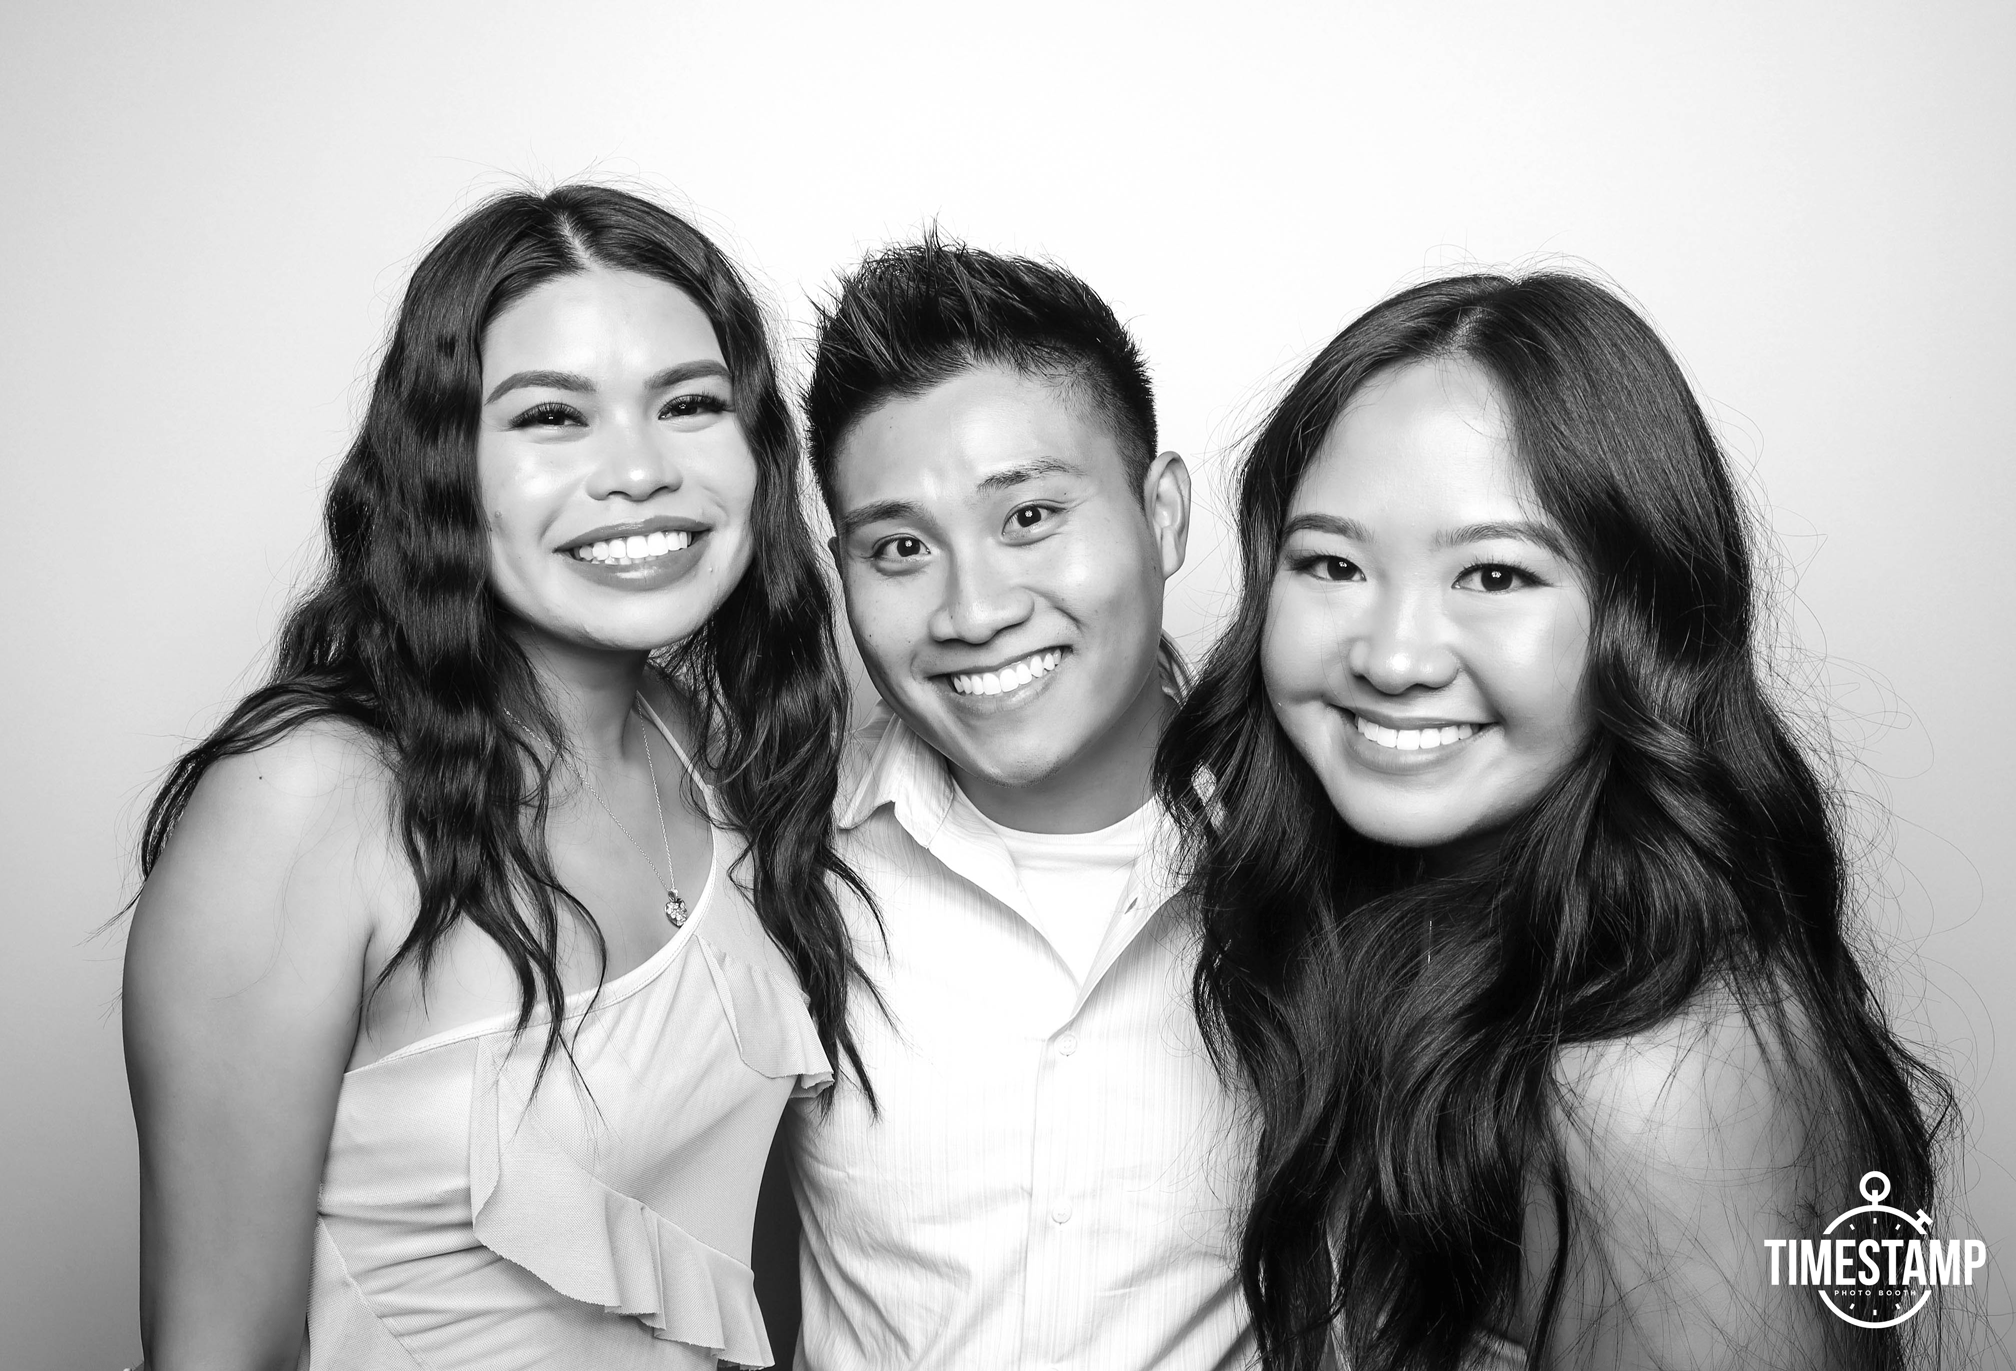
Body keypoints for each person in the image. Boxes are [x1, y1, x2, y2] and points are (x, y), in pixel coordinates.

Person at [122, 184, 872, 1370]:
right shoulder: (307, 801)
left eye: (686, 403)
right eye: (550, 418)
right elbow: (216, 1350)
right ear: (444, 468)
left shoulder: (688, 737)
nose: (637, 471)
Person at [1157, 272, 1954, 1371]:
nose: (1391, 657)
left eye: (1492, 573)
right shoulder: (1428, 934)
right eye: (1331, 563)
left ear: (1645, 616)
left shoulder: (1648, 1087)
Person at [784, 233, 1253, 1369]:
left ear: (1166, 514)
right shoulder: (778, 864)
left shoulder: (1323, 855)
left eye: (1029, 517)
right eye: (899, 547)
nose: (972, 609)